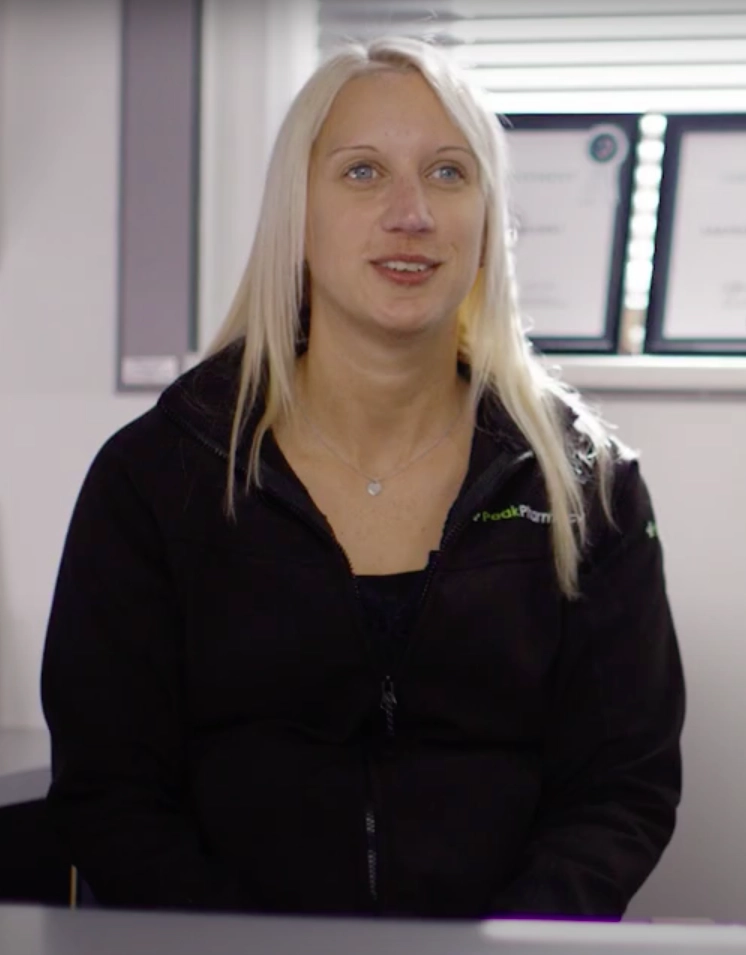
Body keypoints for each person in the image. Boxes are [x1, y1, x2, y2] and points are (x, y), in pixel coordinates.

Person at [41, 36, 684, 920]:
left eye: (450, 173)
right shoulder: (154, 477)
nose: (412, 212)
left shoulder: (590, 487)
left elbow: (622, 790)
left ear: (489, 219)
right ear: (295, 214)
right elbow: (110, 791)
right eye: (362, 172)